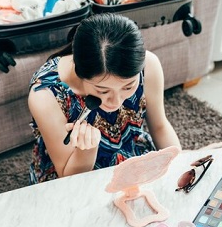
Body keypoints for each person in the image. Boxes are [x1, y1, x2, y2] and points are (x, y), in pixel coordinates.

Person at [28, 12, 181, 184]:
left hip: (131, 150)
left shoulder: (149, 65)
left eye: (128, 87)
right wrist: (87, 150)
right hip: (73, 173)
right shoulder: (45, 94)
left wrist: (180, 166)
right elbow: (67, 175)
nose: (115, 102)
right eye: (102, 90)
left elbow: (159, 126)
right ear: (79, 73)